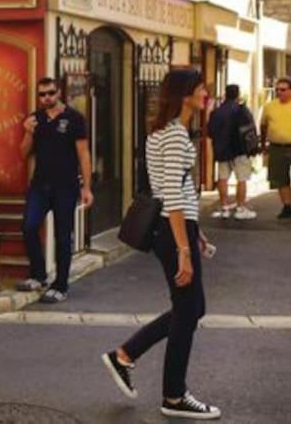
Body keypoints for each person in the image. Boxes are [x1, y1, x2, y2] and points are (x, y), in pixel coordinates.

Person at [101, 68, 220, 420]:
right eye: (201, 89)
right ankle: (173, 395)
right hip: (171, 230)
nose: (206, 96)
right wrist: (183, 249)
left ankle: (125, 355)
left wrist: (194, 232)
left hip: (176, 228)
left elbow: (178, 191)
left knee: (192, 308)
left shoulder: (171, 133)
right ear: (185, 95)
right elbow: (171, 196)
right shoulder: (174, 137)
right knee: (189, 309)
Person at [16, 77, 94, 303]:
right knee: (29, 227)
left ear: (58, 92)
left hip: (66, 186)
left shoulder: (74, 118)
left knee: (63, 235)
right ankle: (39, 275)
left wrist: (86, 187)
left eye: (50, 93)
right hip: (40, 184)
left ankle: (60, 285)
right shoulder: (35, 119)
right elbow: (23, 153)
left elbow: (83, 153)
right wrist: (28, 132)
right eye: (41, 94)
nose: (46, 98)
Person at [207, 84, 257, 220]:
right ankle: (240, 207)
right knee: (242, 179)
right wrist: (253, 147)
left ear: (225, 94)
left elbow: (210, 131)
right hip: (239, 149)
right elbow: (250, 130)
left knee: (223, 178)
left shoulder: (217, 112)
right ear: (237, 94)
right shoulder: (242, 110)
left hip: (222, 150)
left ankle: (224, 207)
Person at [260, 77, 291, 219]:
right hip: (277, 147)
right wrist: (263, 145)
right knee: (280, 178)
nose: (279, 92)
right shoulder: (269, 106)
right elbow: (263, 126)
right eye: (277, 90)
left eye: (283, 90)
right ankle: (287, 206)